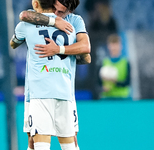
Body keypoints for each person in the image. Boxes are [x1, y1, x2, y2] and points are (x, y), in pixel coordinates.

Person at [10, 0, 86, 149]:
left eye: (62, 12)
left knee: (39, 142)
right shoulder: (39, 19)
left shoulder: (74, 20)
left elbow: (13, 43)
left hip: (44, 92)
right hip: (56, 91)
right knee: (36, 141)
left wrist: (58, 49)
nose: (58, 14)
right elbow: (86, 57)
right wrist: (54, 22)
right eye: (56, 9)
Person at [99, 34, 131, 100]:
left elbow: (128, 82)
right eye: (112, 45)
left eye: (116, 44)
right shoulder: (104, 62)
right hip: (107, 98)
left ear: (121, 46)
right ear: (108, 46)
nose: (114, 48)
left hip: (123, 98)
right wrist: (103, 88)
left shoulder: (125, 62)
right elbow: (98, 82)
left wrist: (115, 82)